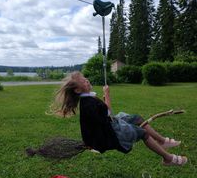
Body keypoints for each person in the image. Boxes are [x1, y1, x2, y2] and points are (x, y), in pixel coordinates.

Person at [52, 71, 187, 166]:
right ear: (77, 90)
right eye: (83, 81)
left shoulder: (89, 99)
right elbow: (109, 112)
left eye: (85, 78)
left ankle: (162, 141)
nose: (86, 80)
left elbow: (104, 113)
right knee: (143, 133)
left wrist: (104, 101)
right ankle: (168, 158)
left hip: (110, 124)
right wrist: (107, 95)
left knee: (138, 119)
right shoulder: (89, 104)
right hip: (110, 134)